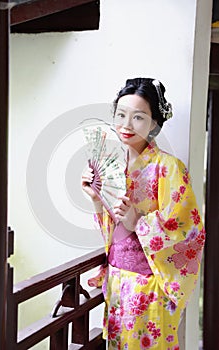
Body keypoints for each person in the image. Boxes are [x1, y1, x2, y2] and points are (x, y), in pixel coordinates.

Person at [81, 77, 205, 349]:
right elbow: (113, 233)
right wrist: (96, 199)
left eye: (138, 117)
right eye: (121, 115)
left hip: (150, 287)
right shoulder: (114, 163)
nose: (126, 125)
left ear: (154, 124)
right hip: (116, 282)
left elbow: (190, 233)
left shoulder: (170, 168)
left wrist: (140, 221)